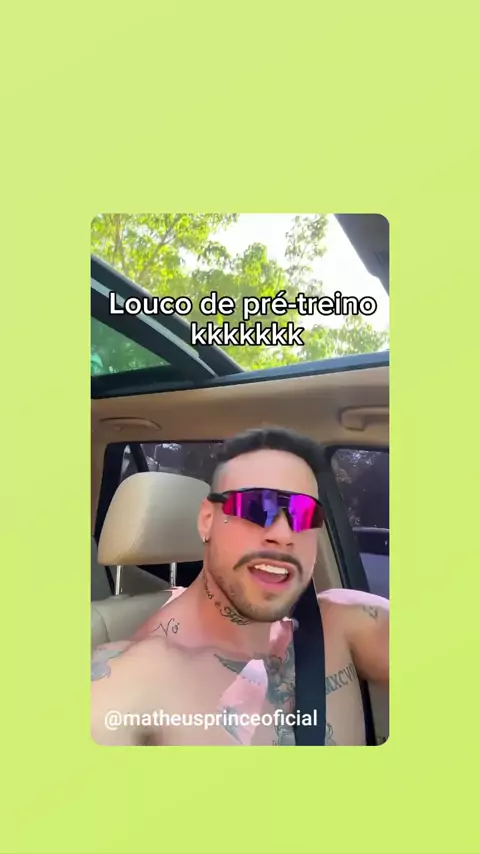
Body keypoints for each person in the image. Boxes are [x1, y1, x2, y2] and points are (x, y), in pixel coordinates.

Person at [91, 427, 389, 746]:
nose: (284, 535)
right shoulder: (134, 678)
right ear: (207, 520)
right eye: (256, 507)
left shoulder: (343, 622)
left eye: (304, 515)